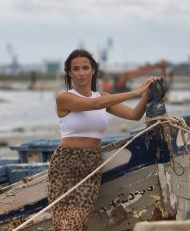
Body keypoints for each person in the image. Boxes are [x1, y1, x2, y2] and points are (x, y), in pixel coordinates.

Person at [47, 49, 158, 231]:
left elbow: (134, 115)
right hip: (66, 164)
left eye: (85, 68)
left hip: (92, 162)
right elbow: (93, 105)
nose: (81, 73)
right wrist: (135, 91)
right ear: (69, 72)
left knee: (79, 221)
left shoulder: (104, 98)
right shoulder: (64, 98)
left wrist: (147, 91)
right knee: (66, 224)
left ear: (93, 70)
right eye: (76, 69)